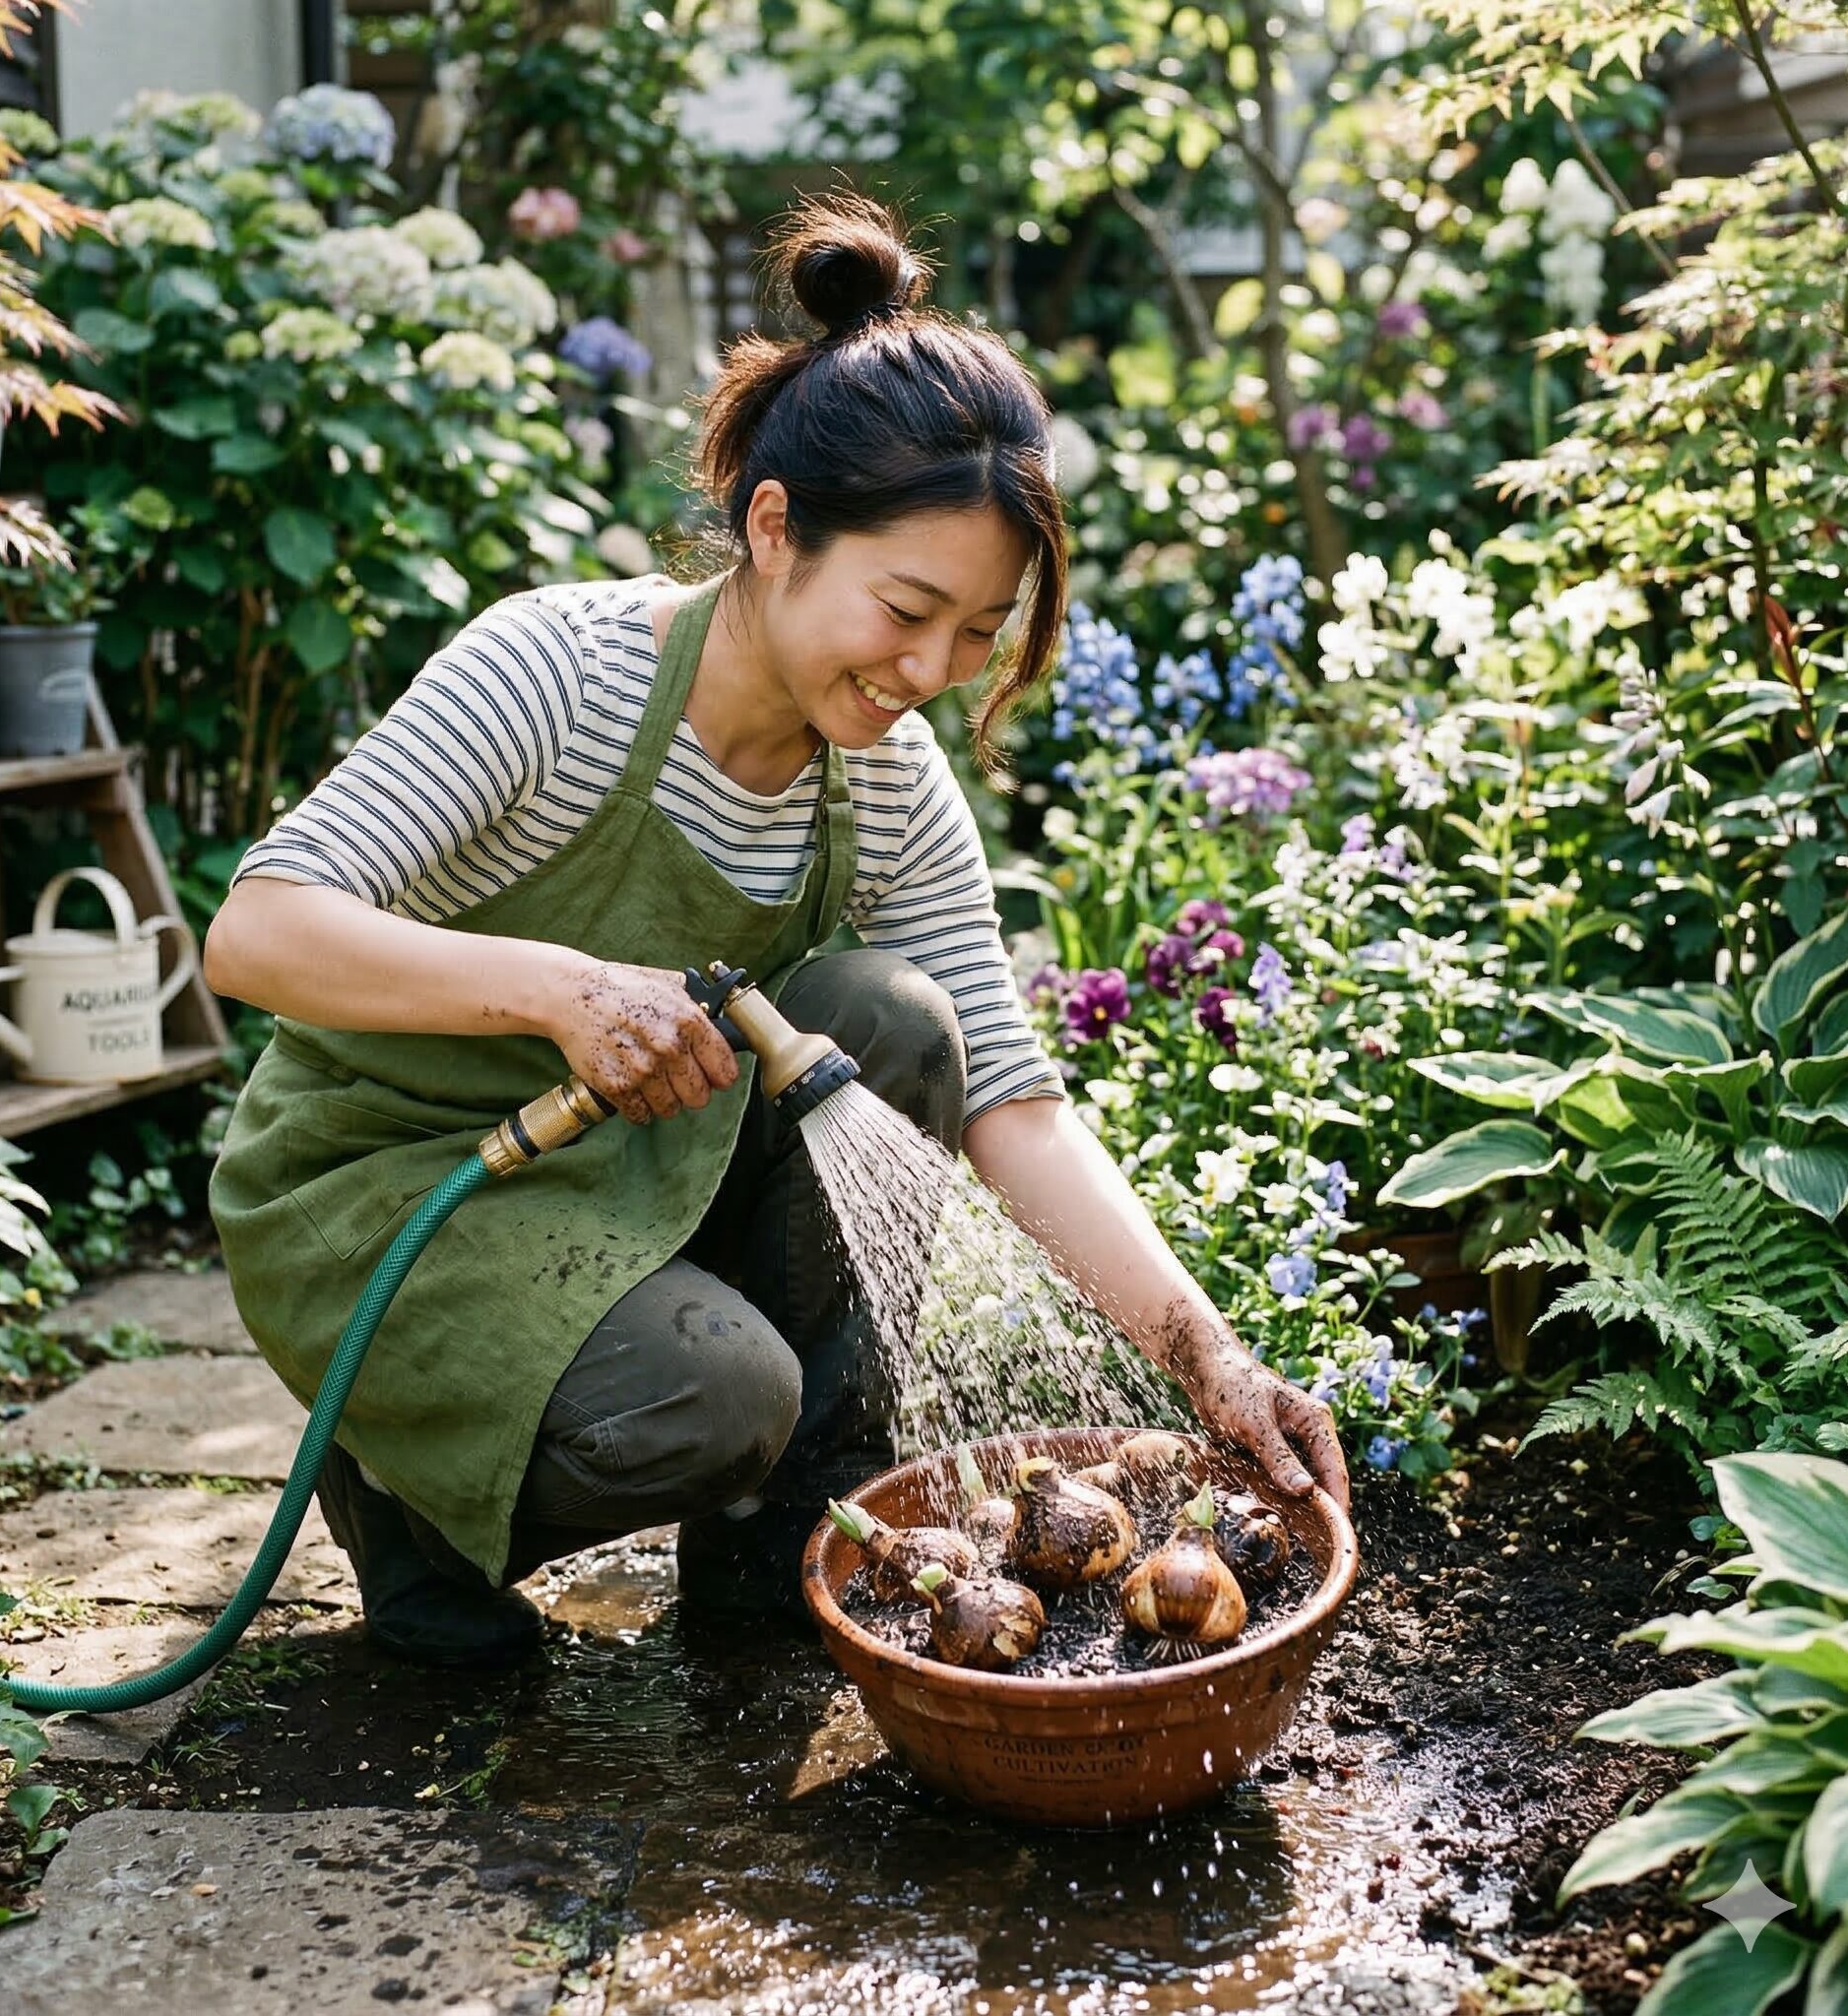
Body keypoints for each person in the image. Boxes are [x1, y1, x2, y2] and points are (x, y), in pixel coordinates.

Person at [204, 192, 1349, 1668]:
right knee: (712, 1396)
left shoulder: (881, 772)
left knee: (896, 1025)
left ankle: (782, 1565)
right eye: (907, 608)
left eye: (977, 634)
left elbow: (1010, 1102)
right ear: (772, 526)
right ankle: (411, 1494)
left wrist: (1211, 1360)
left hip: (621, 1167)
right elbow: (257, 931)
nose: (931, 669)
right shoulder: (559, 675)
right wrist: (560, 990)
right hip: (389, 1187)